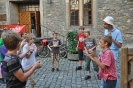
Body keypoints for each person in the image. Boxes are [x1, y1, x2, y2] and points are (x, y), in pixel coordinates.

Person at [100, 16, 123, 88]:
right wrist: (101, 51)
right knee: (104, 70)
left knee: (111, 73)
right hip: (105, 52)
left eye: (105, 24)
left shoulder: (117, 32)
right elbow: (104, 43)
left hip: (113, 54)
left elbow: (120, 45)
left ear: (110, 24)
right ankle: (103, 86)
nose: (104, 25)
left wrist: (111, 39)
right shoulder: (106, 31)